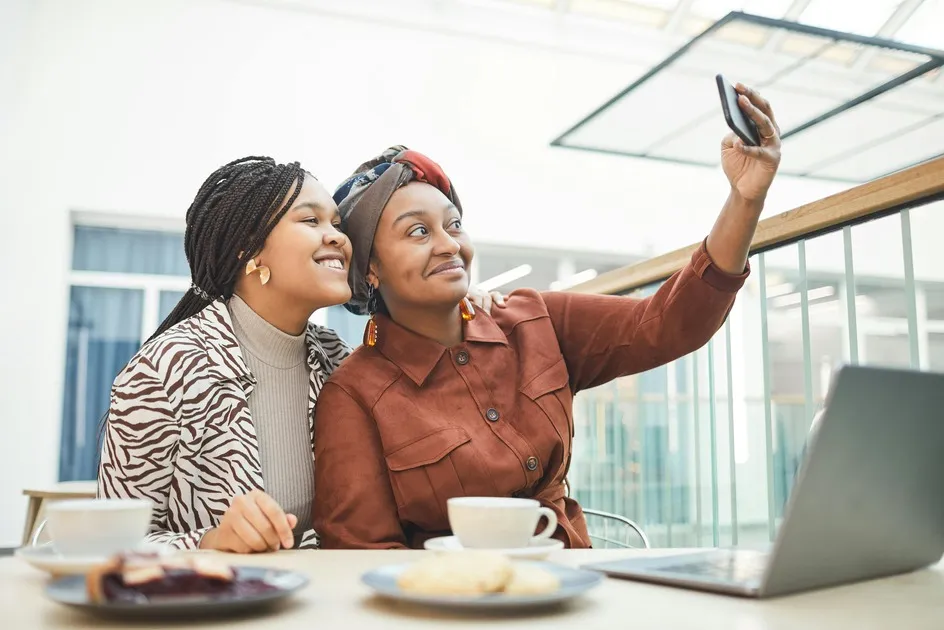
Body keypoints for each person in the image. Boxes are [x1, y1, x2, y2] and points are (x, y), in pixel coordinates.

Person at [313, 83, 782, 549]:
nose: (450, 244)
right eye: (418, 231)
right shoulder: (355, 395)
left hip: (574, 584)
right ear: (371, 268)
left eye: (453, 224)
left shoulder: (533, 319)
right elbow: (361, 554)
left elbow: (668, 323)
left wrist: (745, 198)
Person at [97, 156, 502, 552]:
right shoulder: (164, 369)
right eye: (311, 221)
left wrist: (461, 316)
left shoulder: (339, 361)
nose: (338, 238)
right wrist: (211, 541)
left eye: (337, 224)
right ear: (248, 249)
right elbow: (109, 542)